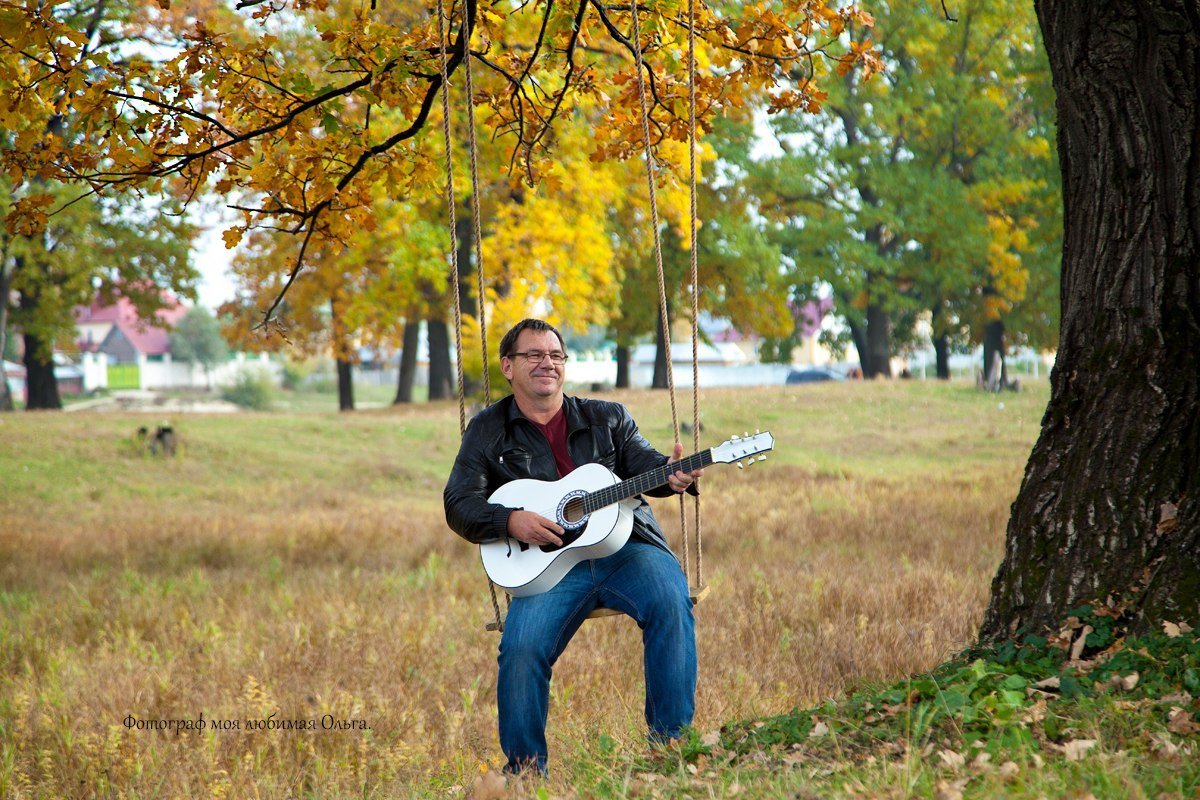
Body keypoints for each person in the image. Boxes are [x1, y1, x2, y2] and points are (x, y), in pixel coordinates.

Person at [444, 318, 702, 775]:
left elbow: (647, 466)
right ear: (508, 365)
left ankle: (671, 750)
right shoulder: (488, 430)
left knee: (670, 599)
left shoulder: (608, 417)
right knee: (520, 650)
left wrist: (672, 473)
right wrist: (510, 520)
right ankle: (525, 773)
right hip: (547, 565)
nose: (548, 363)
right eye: (534, 355)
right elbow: (458, 504)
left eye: (556, 355)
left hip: (628, 548)